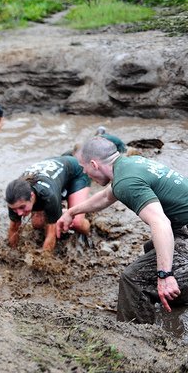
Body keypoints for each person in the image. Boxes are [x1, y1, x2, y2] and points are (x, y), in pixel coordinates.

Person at [57, 137, 187, 324]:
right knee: (152, 248)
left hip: (182, 229)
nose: (84, 172)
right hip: (182, 225)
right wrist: (72, 211)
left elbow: (161, 223)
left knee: (133, 280)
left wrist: (164, 275)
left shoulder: (126, 181)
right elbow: (106, 197)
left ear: (94, 164)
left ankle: (134, 338)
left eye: (84, 168)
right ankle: (177, 298)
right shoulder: (128, 164)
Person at [5, 156, 91, 251]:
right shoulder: (14, 198)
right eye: (14, 209)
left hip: (75, 173)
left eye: (22, 207)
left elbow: (51, 234)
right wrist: (12, 253)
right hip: (50, 176)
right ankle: (59, 211)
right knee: (38, 224)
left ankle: (91, 234)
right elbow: (13, 229)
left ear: (32, 196)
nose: (19, 213)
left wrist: (43, 262)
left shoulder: (48, 195)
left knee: (76, 223)